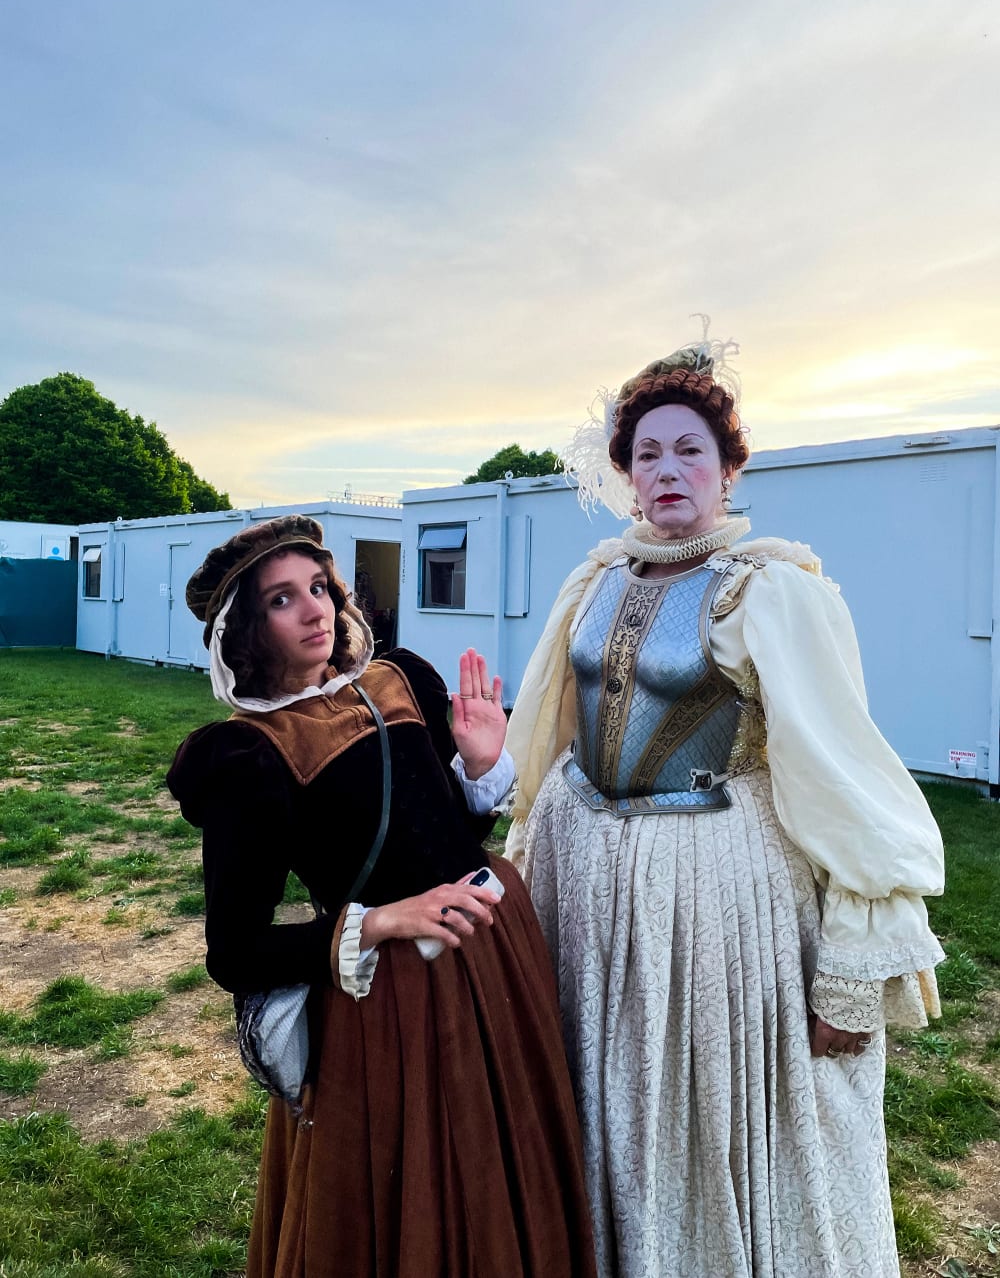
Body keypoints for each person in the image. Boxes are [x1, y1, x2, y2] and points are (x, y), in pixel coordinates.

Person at [504, 336, 946, 1278]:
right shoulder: (596, 581)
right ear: (627, 474)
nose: (668, 470)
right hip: (583, 882)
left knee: (694, 1106)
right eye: (649, 454)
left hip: (709, 896)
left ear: (730, 468)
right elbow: (551, 733)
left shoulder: (773, 592)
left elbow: (847, 785)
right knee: (597, 1090)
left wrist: (853, 968)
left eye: (689, 450)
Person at [167, 515, 596, 1278]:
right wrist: (380, 923)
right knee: (417, 1182)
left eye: (320, 588)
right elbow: (234, 951)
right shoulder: (250, 756)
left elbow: (443, 823)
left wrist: (479, 764)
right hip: (395, 997)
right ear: (244, 633)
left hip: (494, 949)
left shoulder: (399, 680)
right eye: (281, 600)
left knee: (506, 1150)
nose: (315, 609)